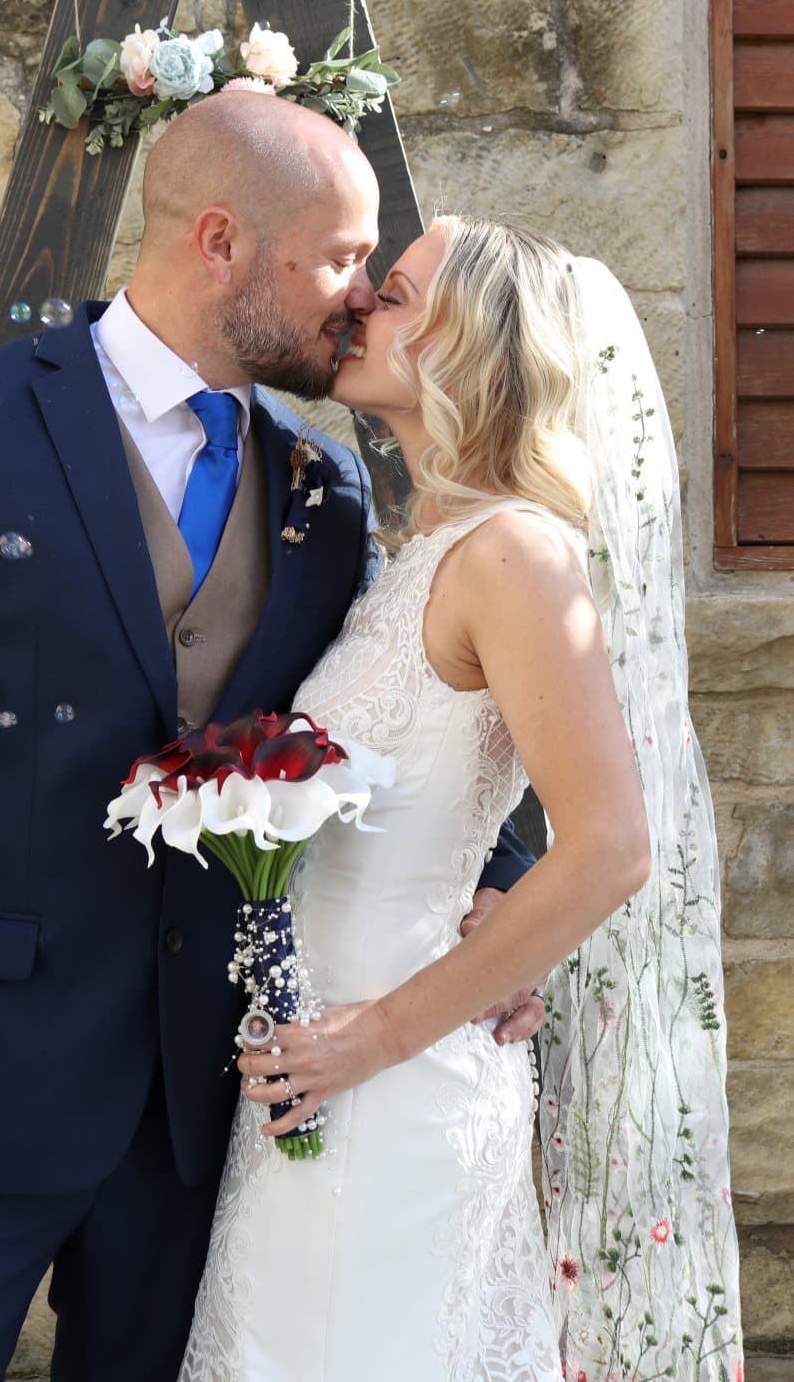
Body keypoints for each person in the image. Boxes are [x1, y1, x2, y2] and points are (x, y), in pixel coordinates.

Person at [0, 99, 540, 1381]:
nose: (358, 296)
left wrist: (501, 876)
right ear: (223, 241)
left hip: (198, 1104)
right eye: (340, 258)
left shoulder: (319, 487)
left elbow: (375, 699)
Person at [180, 216, 743, 1381]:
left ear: (471, 344)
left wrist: (373, 1036)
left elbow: (608, 849)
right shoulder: (422, 546)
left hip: (392, 1087)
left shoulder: (516, 559)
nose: (355, 310)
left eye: (389, 293)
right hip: (308, 1078)